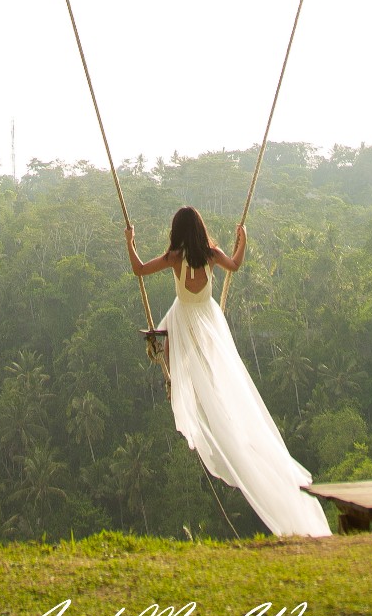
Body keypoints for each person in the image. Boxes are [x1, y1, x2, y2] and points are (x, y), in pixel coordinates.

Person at [125, 205, 331, 538]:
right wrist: (242, 240)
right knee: (213, 367)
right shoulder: (211, 253)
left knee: (180, 346)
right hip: (207, 320)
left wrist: (129, 241)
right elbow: (235, 264)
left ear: (176, 231)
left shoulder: (173, 258)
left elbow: (138, 269)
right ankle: (180, 373)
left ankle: (172, 373)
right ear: (200, 229)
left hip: (185, 320)